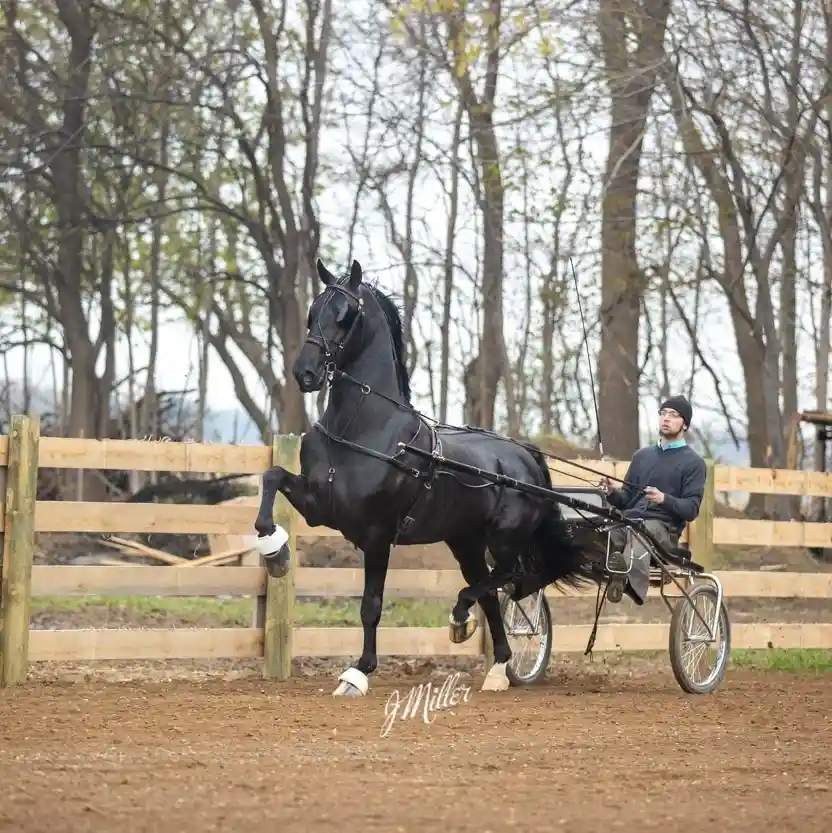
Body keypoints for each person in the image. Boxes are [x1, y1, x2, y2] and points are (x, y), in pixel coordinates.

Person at [598, 395, 707, 605]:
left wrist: (663, 499)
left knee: (640, 530)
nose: (666, 418)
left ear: (685, 424)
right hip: (630, 521)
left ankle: (628, 582)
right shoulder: (642, 456)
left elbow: (691, 509)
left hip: (664, 530)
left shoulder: (694, 463)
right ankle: (611, 571)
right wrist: (612, 492)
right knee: (601, 531)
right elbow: (627, 499)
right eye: (663, 413)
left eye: (674, 415)